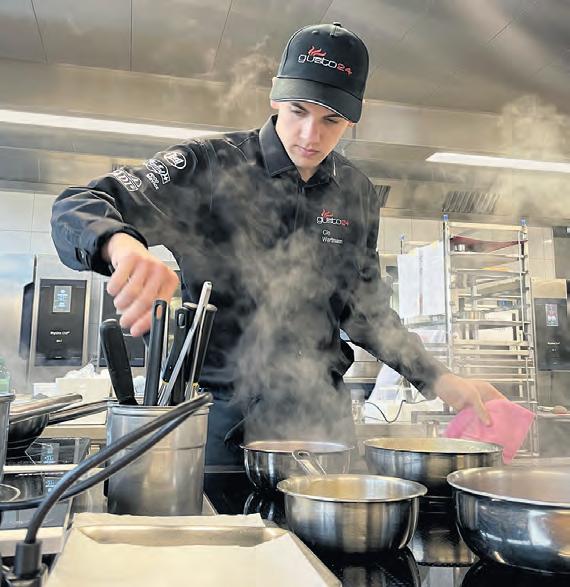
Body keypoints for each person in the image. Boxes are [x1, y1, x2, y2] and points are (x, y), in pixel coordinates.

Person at [51, 23, 504, 465]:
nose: (311, 136)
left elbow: (367, 313)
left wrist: (441, 379)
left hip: (321, 424)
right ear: (276, 97)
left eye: (331, 120)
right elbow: (79, 203)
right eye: (298, 111)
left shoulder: (357, 193)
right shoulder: (208, 164)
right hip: (221, 425)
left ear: (351, 119)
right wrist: (123, 246)